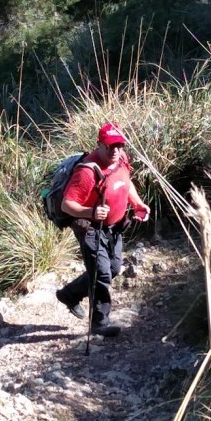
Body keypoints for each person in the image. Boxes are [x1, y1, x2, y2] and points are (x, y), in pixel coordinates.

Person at [55, 123, 150, 337]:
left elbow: (126, 183)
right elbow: (66, 205)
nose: (115, 150)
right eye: (110, 146)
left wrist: (137, 204)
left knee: (114, 268)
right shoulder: (87, 172)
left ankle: (69, 294)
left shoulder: (121, 159)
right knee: (101, 273)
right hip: (90, 228)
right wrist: (91, 212)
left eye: (119, 145)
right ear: (99, 145)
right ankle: (100, 323)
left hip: (114, 226)